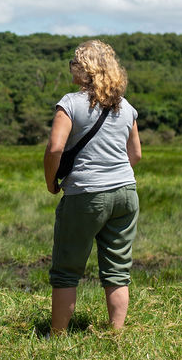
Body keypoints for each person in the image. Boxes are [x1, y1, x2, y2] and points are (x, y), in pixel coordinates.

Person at [43, 39, 142, 334]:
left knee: (66, 270)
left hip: (86, 194)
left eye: (74, 63)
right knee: (117, 269)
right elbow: (135, 154)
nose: (71, 68)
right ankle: (116, 333)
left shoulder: (70, 103)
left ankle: (57, 335)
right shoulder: (126, 107)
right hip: (126, 192)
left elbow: (54, 149)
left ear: (83, 69)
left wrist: (52, 182)